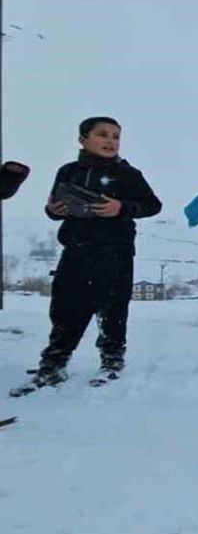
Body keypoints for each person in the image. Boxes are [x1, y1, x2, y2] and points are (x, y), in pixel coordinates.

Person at [9, 117, 162, 396]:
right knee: (65, 308)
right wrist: (55, 210)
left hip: (115, 251)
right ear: (83, 140)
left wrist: (122, 207)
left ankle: (112, 363)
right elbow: (52, 208)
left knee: (113, 308)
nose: (110, 141)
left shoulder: (129, 175)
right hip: (76, 249)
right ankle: (53, 367)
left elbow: (153, 206)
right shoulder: (68, 171)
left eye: (116, 136)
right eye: (103, 135)